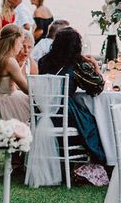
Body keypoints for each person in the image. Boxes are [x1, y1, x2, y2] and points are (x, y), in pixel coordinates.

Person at [42, 28, 106, 165]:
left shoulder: (43, 61)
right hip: (62, 113)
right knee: (92, 121)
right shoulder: (75, 66)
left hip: (42, 113)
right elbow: (97, 87)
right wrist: (95, 67)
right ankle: (98, 158)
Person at [0, 23, 33, 122]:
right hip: (6, 105)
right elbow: (27, 89)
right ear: (14, 40)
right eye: (21, 42)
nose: (21, 46)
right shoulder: (10, 61)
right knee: (37, 107)